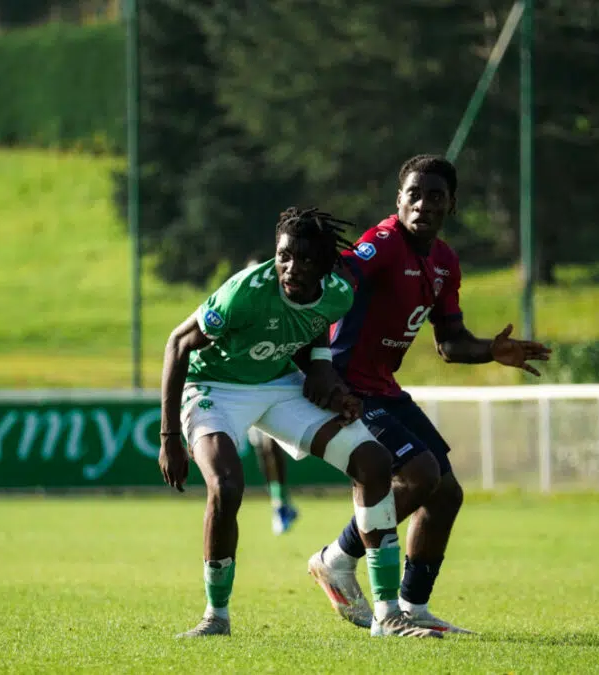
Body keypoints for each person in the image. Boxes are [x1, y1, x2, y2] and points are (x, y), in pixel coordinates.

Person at [158, 207, 442, 639]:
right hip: (215, 386)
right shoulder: (245, 291)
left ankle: (387, 614)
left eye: (306, 260)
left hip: (278, 383)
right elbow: (179, 342)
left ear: (327, 265)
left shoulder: (339, 292)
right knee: (226, 486)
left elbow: (314, 323)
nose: (291, 268)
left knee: (374, 461)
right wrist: (169, 437)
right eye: (284, 256)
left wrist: (322, 367)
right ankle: (216, 616)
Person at [304, 155, 551, 633]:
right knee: (419, 473)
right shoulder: (381, 244)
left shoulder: (444, 263)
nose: (423, 204)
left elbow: (450, 344)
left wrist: (492, 351)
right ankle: (335, 557)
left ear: (451, 205)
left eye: (435, 195)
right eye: (413, 194)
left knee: (446, 493)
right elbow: (336, 286)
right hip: (347, 384)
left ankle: (414, 608)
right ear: (399, 200)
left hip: (384, 387)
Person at [241, 258, 301, 536]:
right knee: (264, 450)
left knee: (270, 447)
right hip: (251, 390)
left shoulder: (285, 306)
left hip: (283, 388)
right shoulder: (240, 308)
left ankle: (281, 503)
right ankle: (280, 502)